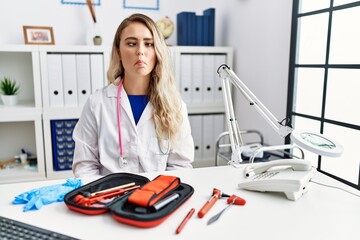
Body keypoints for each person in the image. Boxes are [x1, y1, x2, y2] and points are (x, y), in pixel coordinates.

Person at [72, 13, 194, 177]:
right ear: (119, 52)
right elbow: (85, 167)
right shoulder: (96, 104)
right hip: (109, 197)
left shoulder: (175, 106)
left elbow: (180, 166)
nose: (140, 51)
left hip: (157, 198)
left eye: (149, 44)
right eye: (131, 43)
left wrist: (157, 197)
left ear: (157, 51)